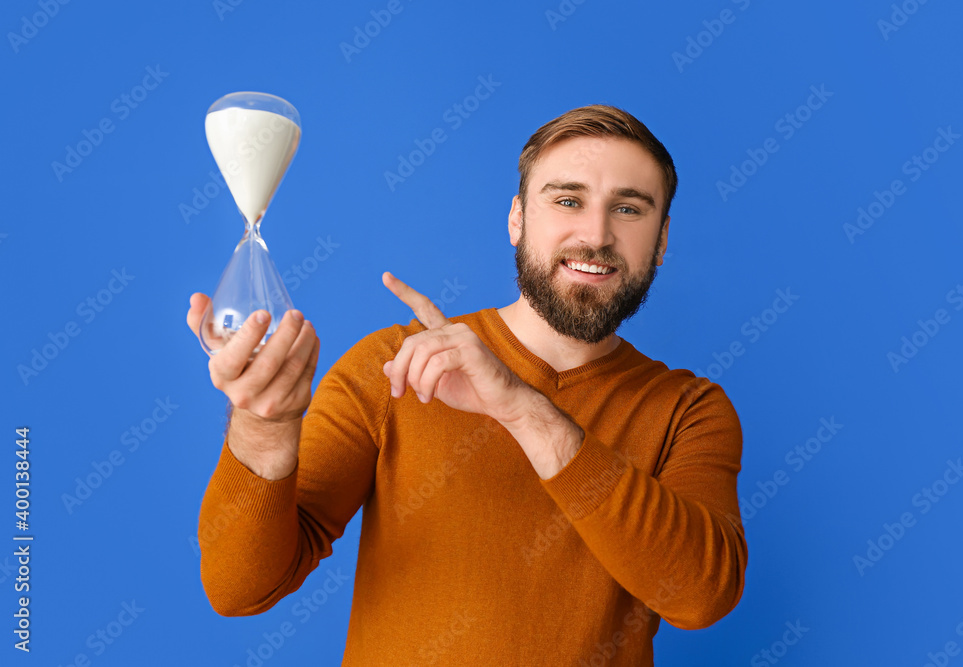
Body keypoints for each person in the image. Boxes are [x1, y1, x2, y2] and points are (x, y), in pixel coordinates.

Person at [188, 104, 747, 665]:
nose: (596, 234)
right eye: (567, 200)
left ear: (662, 239)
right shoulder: (395, 365)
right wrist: (264, 427)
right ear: (518, 218)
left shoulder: (689, 410)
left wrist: (524, 412)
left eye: (628, 208)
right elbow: (240, 587)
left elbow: (700, 597)